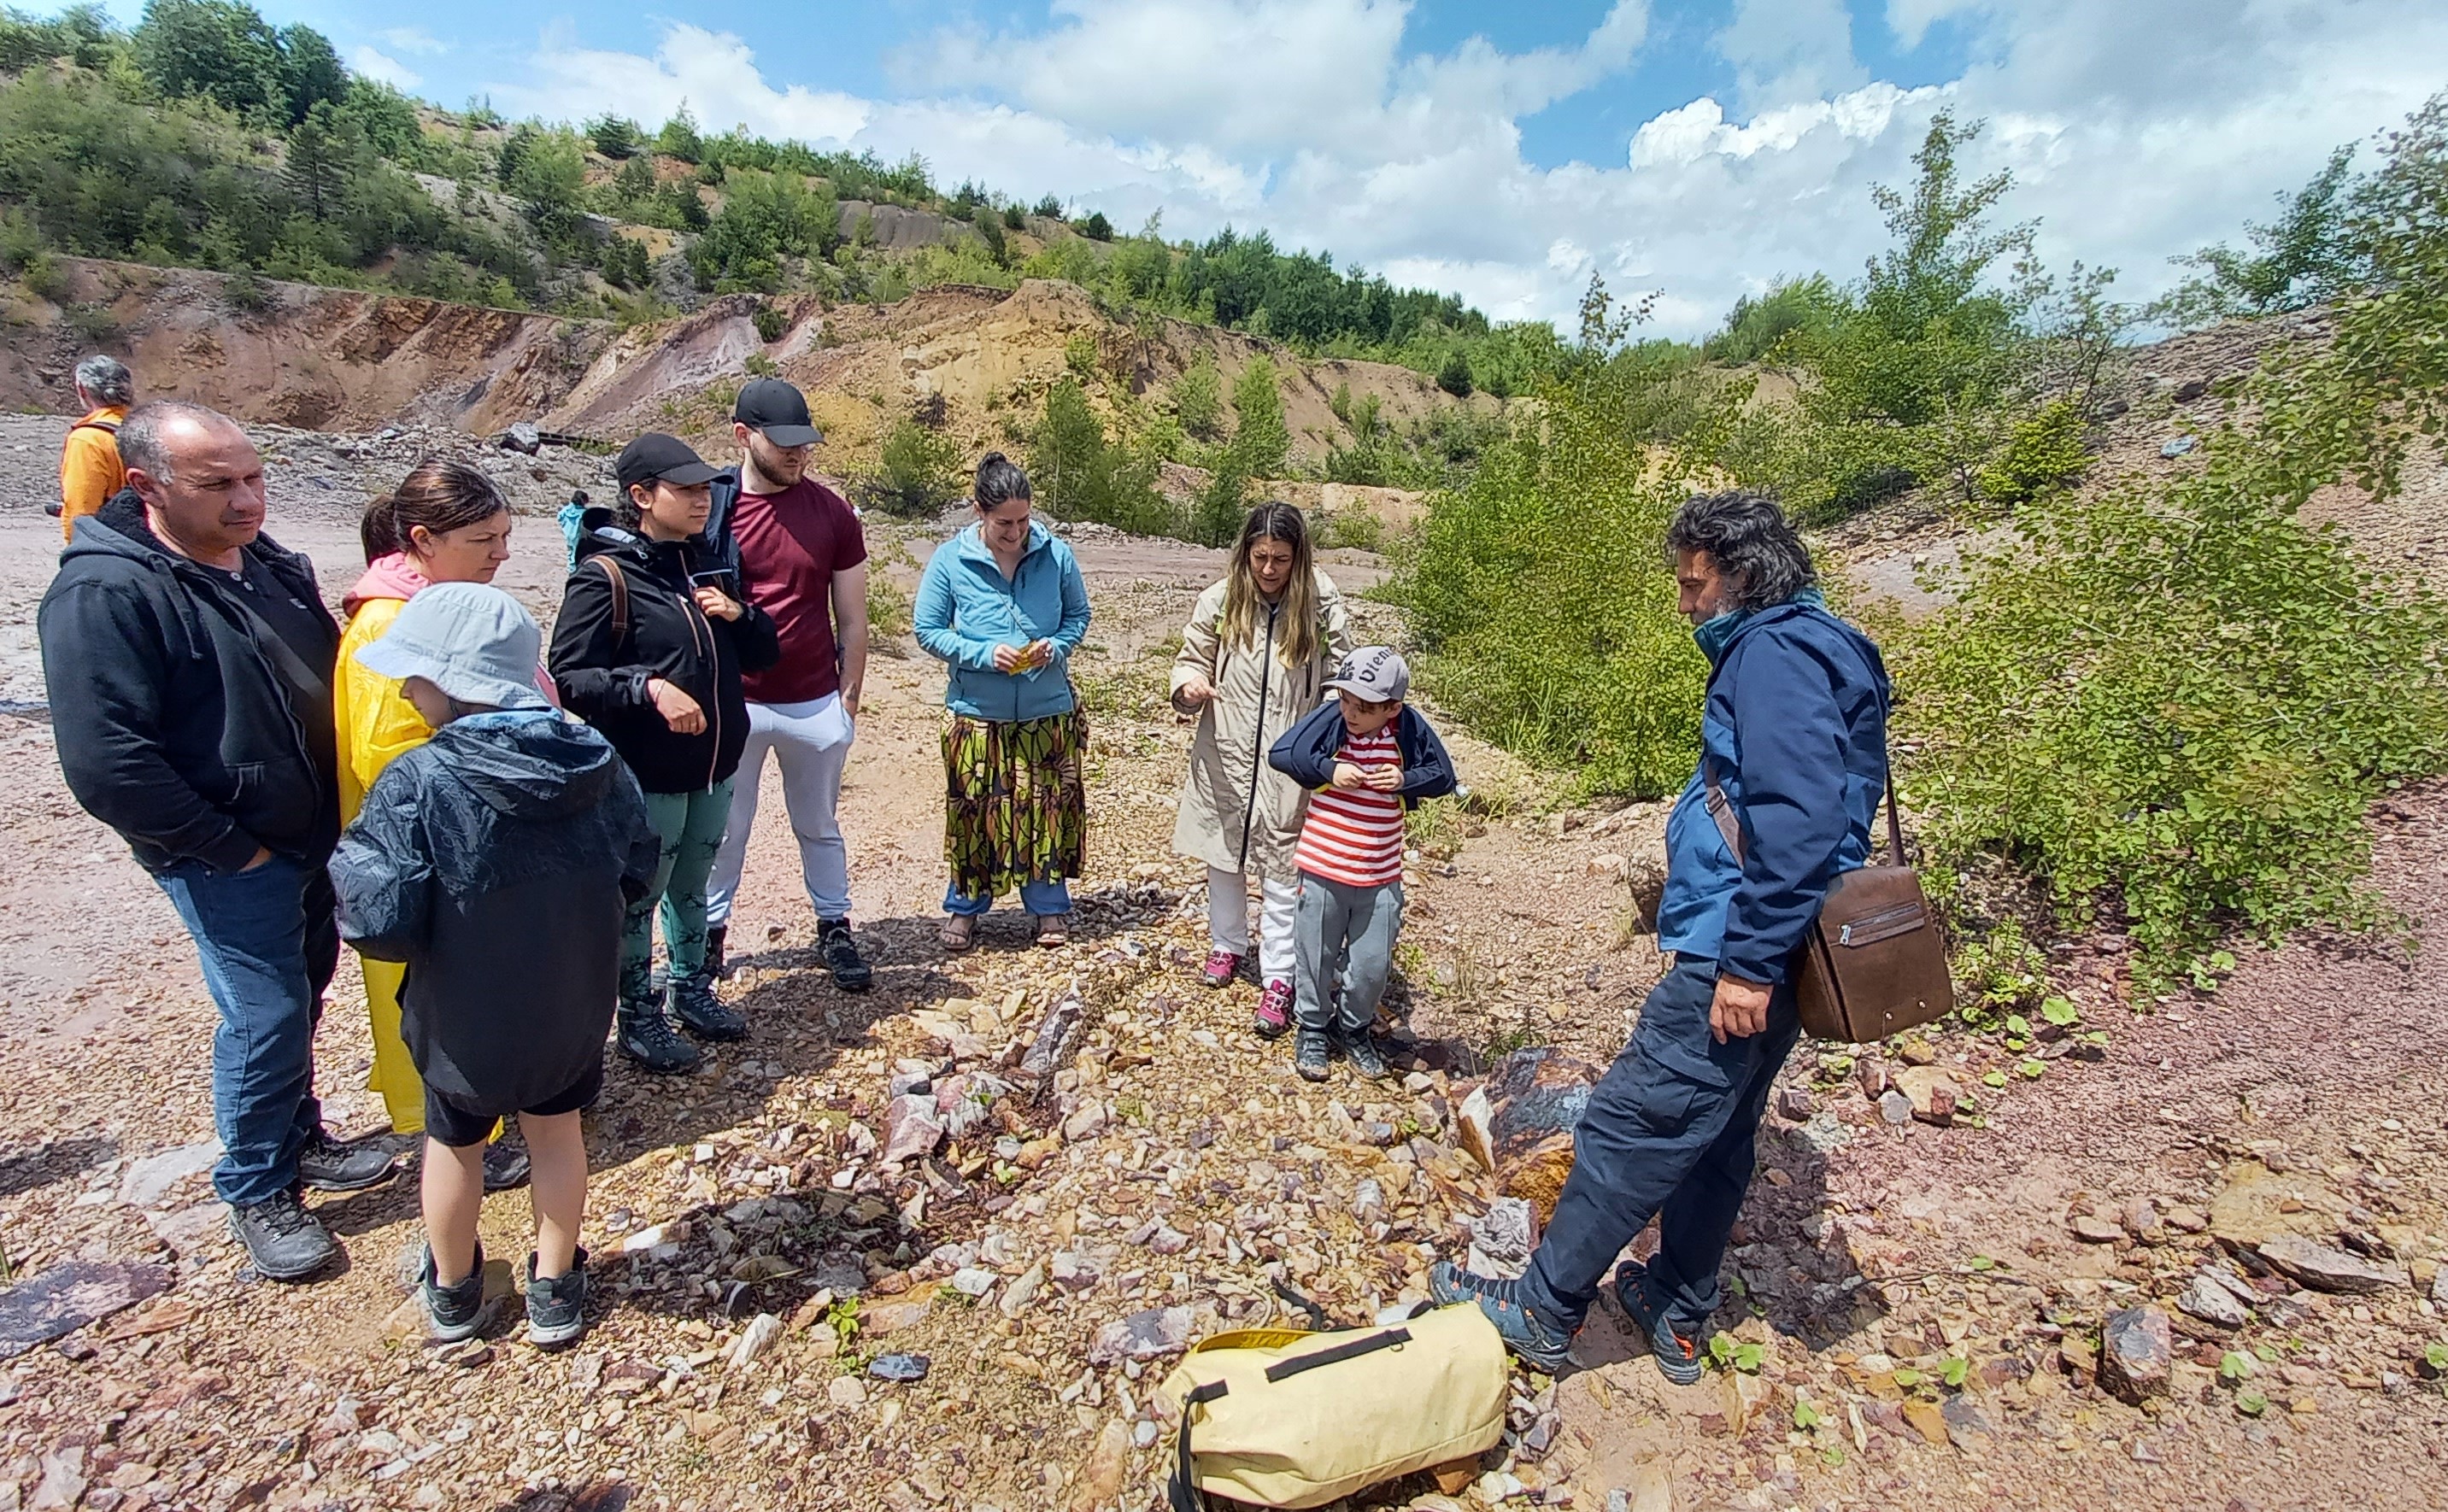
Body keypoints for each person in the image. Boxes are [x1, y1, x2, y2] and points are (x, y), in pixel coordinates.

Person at [1431, 490, 1892, 1379]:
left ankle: (1541, 1309)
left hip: (1742, 945)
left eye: (1693, 583)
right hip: (1793, 941)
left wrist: (1748, 965)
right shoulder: (1826, 642)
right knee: (1718, 1130)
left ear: (1744, 577)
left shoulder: (1774, 654)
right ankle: (1676, 1302)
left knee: (1635, 1122)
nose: (1684, 604)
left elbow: (1796, 821)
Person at [38, 401, 394, 1281]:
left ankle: (298, 1135)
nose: (247, 500)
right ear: (146, 487)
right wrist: (231, 848)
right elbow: (108, 764)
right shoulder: (106, 591)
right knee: (264, 1012)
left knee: (302, 994)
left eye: (254, 477)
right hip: (229, 852)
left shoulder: (264, 561)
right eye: (219, 484)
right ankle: (256, 1187)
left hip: (308, 832)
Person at [330, 584, 660, 1346]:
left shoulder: (419, 778)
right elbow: (639, 864)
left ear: (449, 684)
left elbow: (377, 916)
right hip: (570, 994)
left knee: (453, 1141)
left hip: (462, 1004)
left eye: (415, 677)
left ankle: (452, 1291)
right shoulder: (596, 759)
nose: (407, 690)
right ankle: (554, 1288)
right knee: (556, 1130)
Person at [334, 461, 540, 1191]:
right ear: (423, 539)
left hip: (457, 854)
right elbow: (390, 753)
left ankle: (471, 1123)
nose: (501, 553)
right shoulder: (390, 623)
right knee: (435, 1004)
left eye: (506, 535)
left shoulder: (430, 605)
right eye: (485, 538)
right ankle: (456, 1142)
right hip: (422, 862)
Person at [551, 435, 779, 1075]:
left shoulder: (704, 565)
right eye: (686, 490)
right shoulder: (605, 576)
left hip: (713, 766)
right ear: (641, 497)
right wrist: (646, 688)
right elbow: (569, 675)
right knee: (639, 896)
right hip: (646, 773)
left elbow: (764, 656)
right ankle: (638, 1014)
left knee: (692, 883)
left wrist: (740, 616)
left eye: (706, 489)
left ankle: (691, 990)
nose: (702, 500)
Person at [702, 378, 874, 993]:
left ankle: (834, 924)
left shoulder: (831, 512)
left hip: (811, 698)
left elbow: (852, 617)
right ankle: (708, 933)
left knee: (819, 823)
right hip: (734, 699)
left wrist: (847, 702)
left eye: (806, 445)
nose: (798, 456)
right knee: (725, 826)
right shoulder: (710, 505)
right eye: (785, 445)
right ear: (744, 436)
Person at [1171, 502, 1353, 1033]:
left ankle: (1278, 977)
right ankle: (1226, 943)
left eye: (1280, 559)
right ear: (1245, 553)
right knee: (1223, 854)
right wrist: (1188, 686)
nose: (1269, 569)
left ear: (1299, 559)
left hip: (1290, 759)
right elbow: (1191, 656)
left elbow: (1341, 674)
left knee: (1284, 865)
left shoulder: (1320, 604)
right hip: (1224, 750)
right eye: (1260, 557)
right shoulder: (1222, 598)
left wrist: (1326, 734)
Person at [912, 453, 1092, 950]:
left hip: (1047, 709)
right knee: (975, 810)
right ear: (979, 512)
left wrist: (1056, 645)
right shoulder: (951, 560)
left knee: (1047, 809)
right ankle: (966, 908)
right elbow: (927, 630)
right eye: (1004, 524)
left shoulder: (1057, 555)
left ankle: (1048, 909)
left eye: (1024, 521)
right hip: (977, 714)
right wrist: (982, 653)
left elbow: (1078, 615)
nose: (1016, 533)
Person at [1265, 647, 1454, 1081]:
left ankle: (1353, 1027)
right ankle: (1312, 1027)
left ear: (1392, 708)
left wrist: (1406, 780)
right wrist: (1329, 769)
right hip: (1322, 866)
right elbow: (1283, 753)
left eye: (1364, 708)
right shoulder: (1335, 717)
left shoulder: (1405, 727)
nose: (1350, 712)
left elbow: (1443, 774)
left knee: (1371, 965)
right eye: (1346, 700)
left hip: (1380, 873)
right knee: (1315, 954)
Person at [56, 354, 133, 540]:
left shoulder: (88, 439)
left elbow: (81, 512)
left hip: (111, 548)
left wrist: (77, 554)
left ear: (82, 390)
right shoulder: (149, 426)